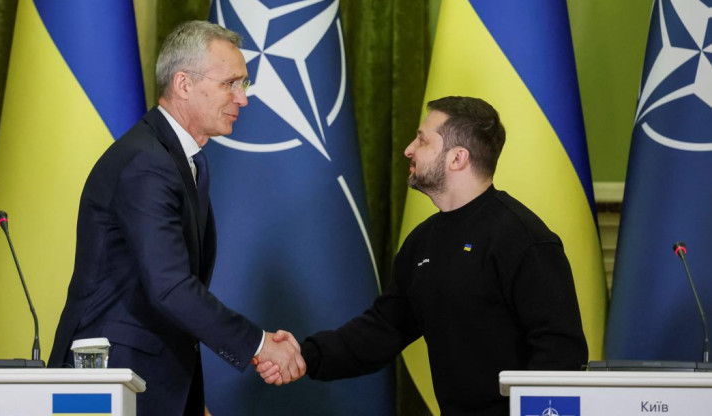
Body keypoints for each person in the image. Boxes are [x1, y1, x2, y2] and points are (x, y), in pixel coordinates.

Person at [257, 96, 588, 415]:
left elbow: (560, 354)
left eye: (422, 141)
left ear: (457, 158)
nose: (408, 150)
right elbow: (383, 329)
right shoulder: (423, 241)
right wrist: (304, 355)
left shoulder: (525, 240)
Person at [49, 21, 305, 416]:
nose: (243, 99)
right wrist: (259, 344)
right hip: (110, 378)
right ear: (184, 84)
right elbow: (170, 288)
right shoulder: (147, 164)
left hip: (151, 379)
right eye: (231, 84)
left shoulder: (178, 160)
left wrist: (186, 398)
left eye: (244, 85)